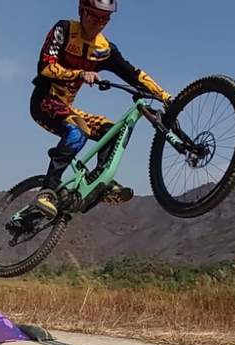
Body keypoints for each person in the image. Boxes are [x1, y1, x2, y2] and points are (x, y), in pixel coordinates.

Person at [29, 0, 172, 218]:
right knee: (77, 133)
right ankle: (47, 191)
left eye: (105, 18)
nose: (99, 23)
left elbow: (134, 74)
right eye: (94, 16)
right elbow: (45, 67)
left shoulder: (104, 49)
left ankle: (97, 183)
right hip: (44, 102)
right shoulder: (64, 30)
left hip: (67, 107)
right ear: (81, 11)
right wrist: (79, 73)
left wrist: (165, 96)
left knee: (112, 131)